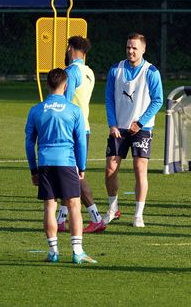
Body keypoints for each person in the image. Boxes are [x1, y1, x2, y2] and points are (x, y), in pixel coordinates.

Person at [25, 68, 97, 264]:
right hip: (67, 162)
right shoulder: (74, 110)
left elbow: (29, 143)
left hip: (46, 163)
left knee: (49, 206)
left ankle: (53, 251)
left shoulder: (36, 110)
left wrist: (34, 169)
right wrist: (81, 166)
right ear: (66, 86)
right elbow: (81, 141)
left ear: (48, 85)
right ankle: (77, 252)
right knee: (74, 205)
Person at [103, 33, 163, 227]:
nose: (130, 50)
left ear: (143, 49)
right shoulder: (115, 69)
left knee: (140, 169)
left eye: (134, 48)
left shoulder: (151, 71)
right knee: (110, 169)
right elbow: (109, 98)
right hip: (118, 128)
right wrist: (112, 123)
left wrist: (141, 122)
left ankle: (138, 214)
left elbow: (158, 100)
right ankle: (113, 208)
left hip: (142, 129)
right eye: (128, 47)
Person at [55, 36, 107, 234]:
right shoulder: (89, 72)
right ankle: (61, 219)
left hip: (71, 129)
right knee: (68, 173)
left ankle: (96, 217)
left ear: (69, 48)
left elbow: (64, 103)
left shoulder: (70, 72)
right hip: (83, 127)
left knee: (74, 176)